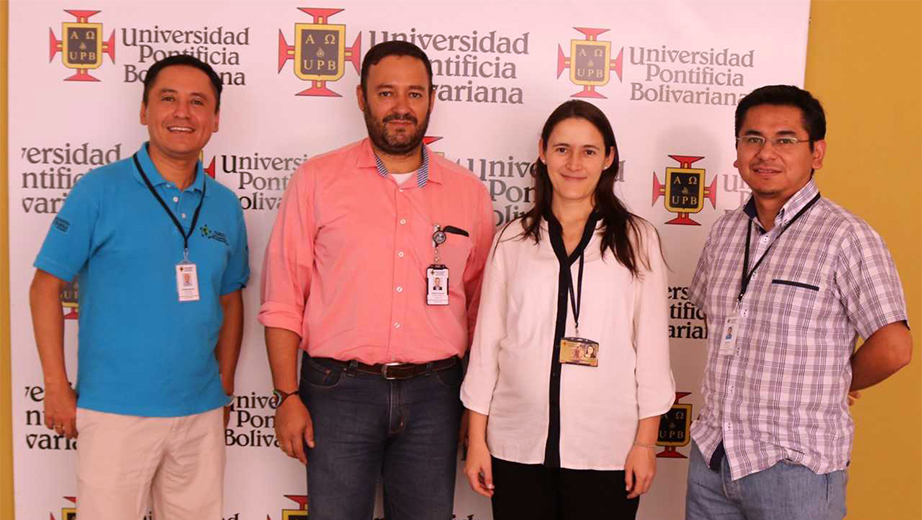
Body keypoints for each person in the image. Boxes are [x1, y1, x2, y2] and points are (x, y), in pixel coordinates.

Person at [259, 40, 494, 520]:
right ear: (362, 97)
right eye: (386, 93)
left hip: (437, 394)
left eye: (415, 93)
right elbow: (283, 297)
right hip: (336, 392)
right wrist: (286, 396)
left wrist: (475, 411)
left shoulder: (469, 193)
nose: (401, 108)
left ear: (432, 98)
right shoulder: (317, 180)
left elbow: (480, 310)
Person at [29, 54, 249, 520]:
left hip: (200, 415)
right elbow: (45, 287)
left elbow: (230, 299)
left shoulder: (226, 206)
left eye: (197, 102)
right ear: (144, 110)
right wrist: (55, 387)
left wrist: (224, 384)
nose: (182, 113)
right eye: (168, 99)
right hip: (114, 414)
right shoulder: (99, 190)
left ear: (214, 119)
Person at [685, 85, 912, 520]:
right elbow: (716, 320)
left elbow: (895, 346)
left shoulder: (846, 237)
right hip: (712, 459)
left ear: (817, 152)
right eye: (753, 139)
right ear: (737, 151)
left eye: (785, 140)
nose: (766, 153)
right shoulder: (724, 232)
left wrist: (839, 379)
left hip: (795, 467)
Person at [460, 100, 675, 520]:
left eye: (589, 151)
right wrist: (478, 440)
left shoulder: (637, 240)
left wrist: (645, 445)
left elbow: (651, 352)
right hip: (515, 446)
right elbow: (486, 348)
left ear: (609, 158)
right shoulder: (511, 240)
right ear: (542, 151)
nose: (574, 163)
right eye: (562, 149)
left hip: (606, 452)